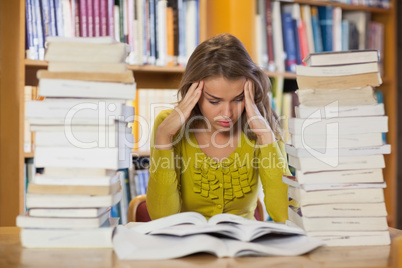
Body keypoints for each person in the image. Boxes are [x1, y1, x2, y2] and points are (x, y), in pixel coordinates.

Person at [146, 33, 291, 223]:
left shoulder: (263, 126)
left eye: (238, 99)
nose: (227, 113)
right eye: (214, 101)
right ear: (194, 92)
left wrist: (266, 139)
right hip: (186, 247)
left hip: (243, 247)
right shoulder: (167, 126)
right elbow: (162, 218)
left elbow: (286, 215)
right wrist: (164, 137)